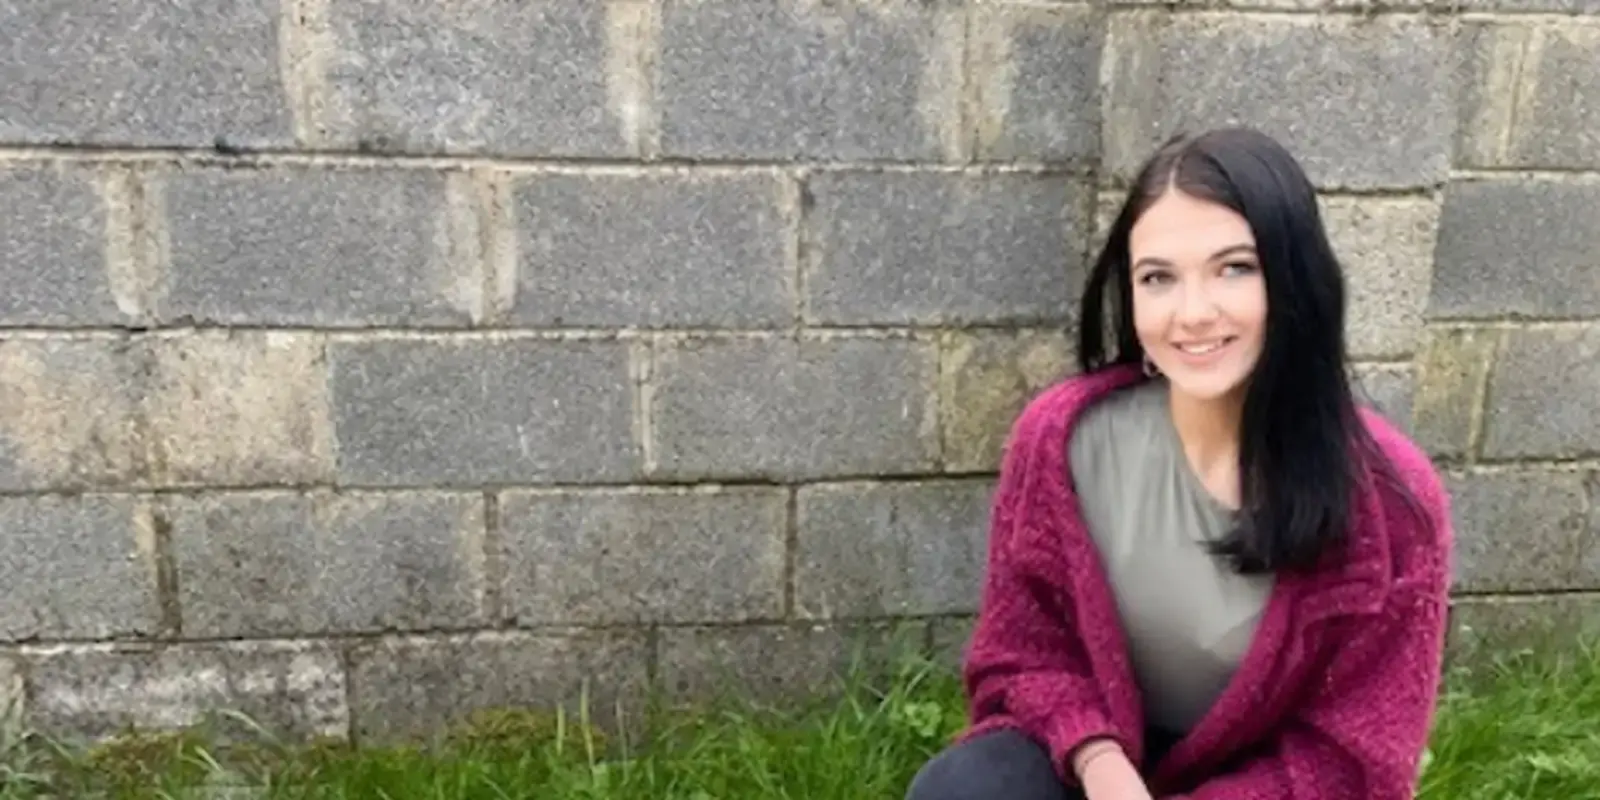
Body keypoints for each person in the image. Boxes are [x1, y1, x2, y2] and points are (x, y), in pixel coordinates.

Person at [904, 128, 1453, 800]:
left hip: (1276, 788)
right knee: (967, 787)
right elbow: (1020, 654)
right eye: (1158, 278)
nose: (1193, 313)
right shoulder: (1060, 441)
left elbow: (1355, 755)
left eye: (1234, 268)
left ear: (1294, 278)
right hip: (1097, 767)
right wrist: (1100, 763)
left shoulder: (1393, 501)